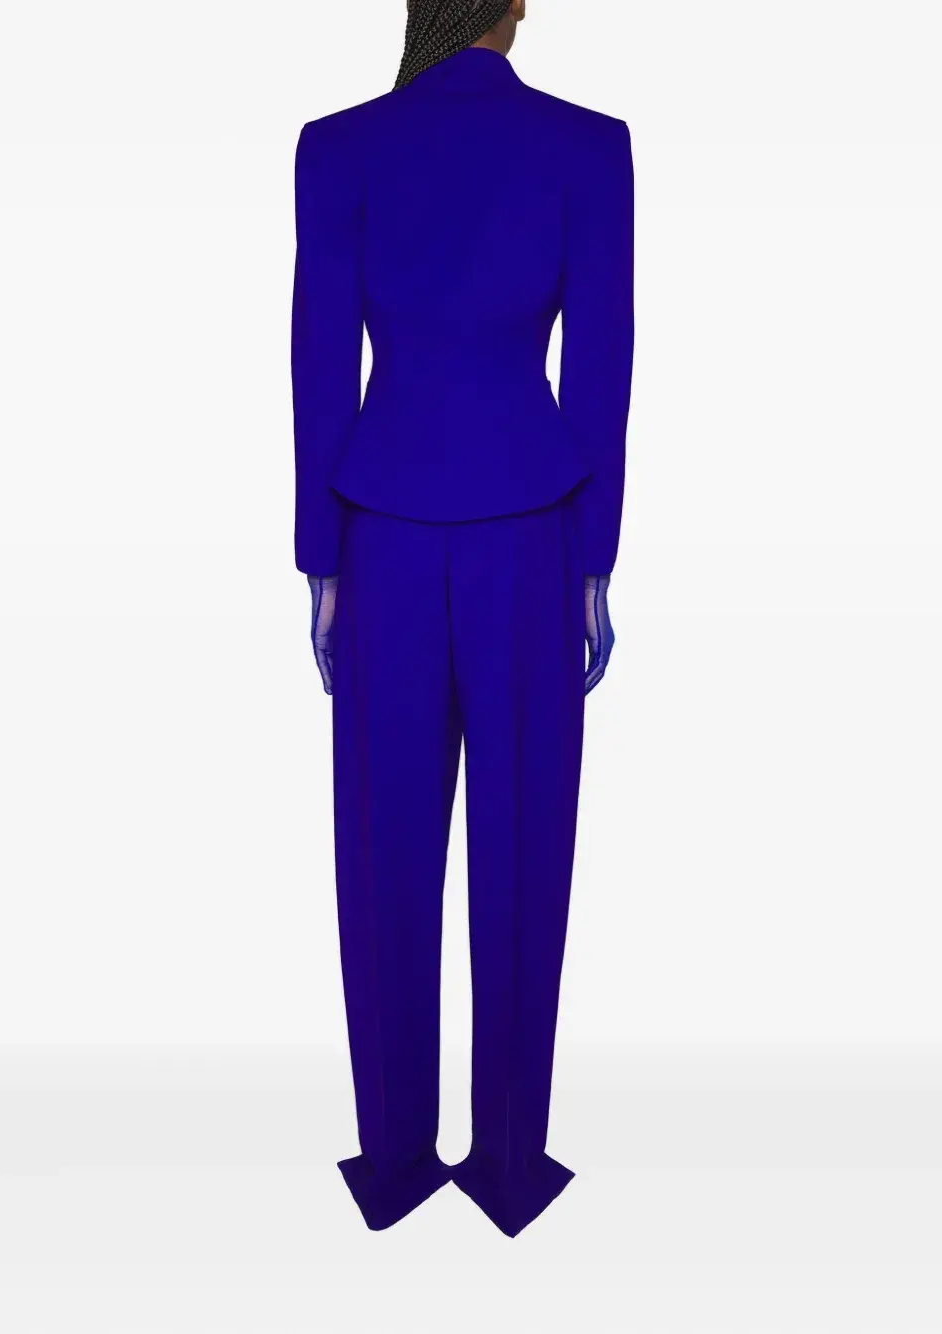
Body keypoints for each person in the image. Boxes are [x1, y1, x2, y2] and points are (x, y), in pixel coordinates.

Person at [290, 0, 634, 1237]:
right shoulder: (589, 146)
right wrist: (593, 560)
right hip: (531, 527)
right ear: (515, 3)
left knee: (382, 841)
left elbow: (319, 361)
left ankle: (394, 1160)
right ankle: (507, 1163)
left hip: (380, 526)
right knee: (524, 839)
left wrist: (320, 557)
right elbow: (600, 365)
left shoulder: (338, 145)